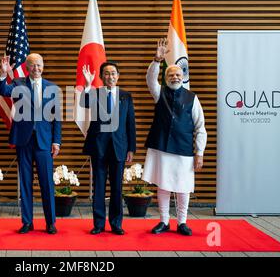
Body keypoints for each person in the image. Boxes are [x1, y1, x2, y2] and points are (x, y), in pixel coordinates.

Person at [142, 38, 207, 236]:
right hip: (161, 147)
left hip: (184, 148)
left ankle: (182, 222)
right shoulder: (158, 92)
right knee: (163, 185)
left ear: (183, 76)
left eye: (178, 74)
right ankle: (163, 221)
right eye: (171, 74)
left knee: (182, 186)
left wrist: (200, 153)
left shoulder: (192, 97)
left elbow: (200, 127)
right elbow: (150, 80)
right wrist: (156, 60)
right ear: (166, 77)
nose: (175, 77)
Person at [0, 53, 61, 234]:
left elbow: (57, 119)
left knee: (47, 183)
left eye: (39, 65)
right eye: (32, 65)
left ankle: (50, 222)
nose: (36, 68)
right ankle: (27, 222)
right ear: (27, 67)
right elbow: (1, 90)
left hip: (44, 142)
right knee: (25, 182)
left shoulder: (52, 88)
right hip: (24, 140)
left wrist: (56, 141)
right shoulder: (18, 84)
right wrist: (2, 74)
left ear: (43, 66)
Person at [81, 61, 136, 235]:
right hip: (99, 147)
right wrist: (88, 85)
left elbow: (130, 124)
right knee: (98, 187)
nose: (110, 76)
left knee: (117, 187)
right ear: (101, 77)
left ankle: (116, 223)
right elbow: (84, 103)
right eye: (106, 73)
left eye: (113, 73)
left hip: (119, 147)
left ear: (118, 76)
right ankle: (98, 224)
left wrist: (131, 148)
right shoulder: (96, 93)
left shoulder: (125, 96)